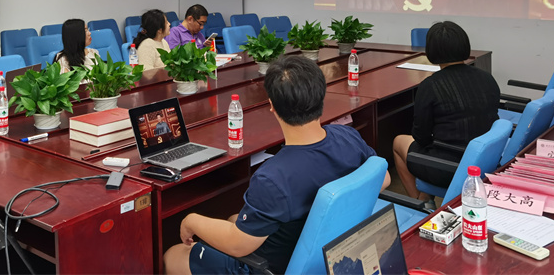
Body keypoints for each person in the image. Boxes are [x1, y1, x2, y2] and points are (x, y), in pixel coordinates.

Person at [164, 55, 389, 275]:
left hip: (271, 266)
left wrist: (191, 221)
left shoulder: (273, 178)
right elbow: (384, 178)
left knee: (173, 255)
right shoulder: (348, 136)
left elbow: (238, 246)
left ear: (272, 106)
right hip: (334, 253)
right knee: (234, 218)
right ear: (321, 96)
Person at [392, 21, 500, 200]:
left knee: (399, 142)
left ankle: (421, 204)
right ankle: (424, 197)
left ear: (430, 52)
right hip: (485, 161)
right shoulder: (487, 78)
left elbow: (421, 137)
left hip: (451, 167)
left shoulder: (431, 85)